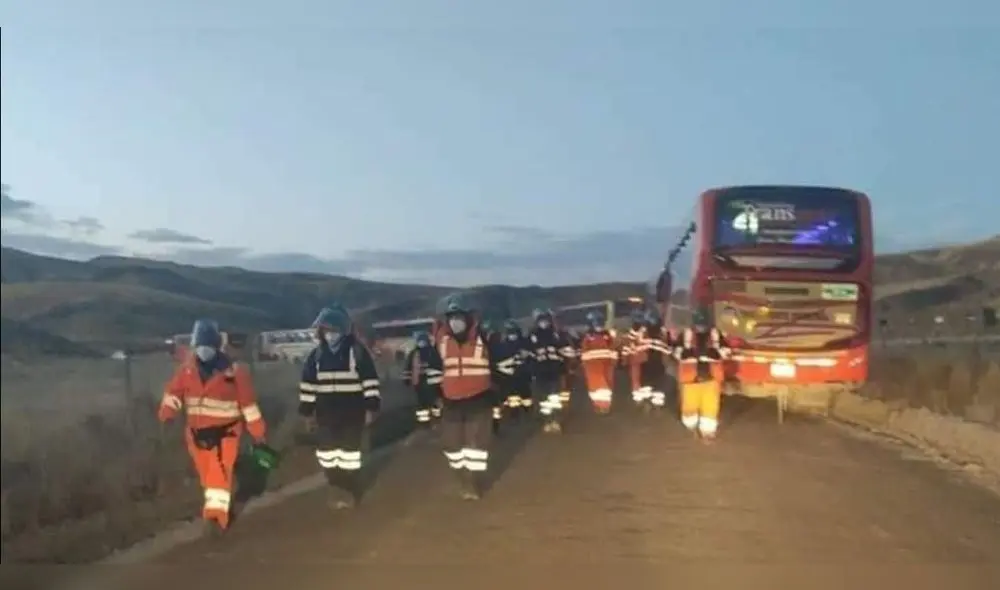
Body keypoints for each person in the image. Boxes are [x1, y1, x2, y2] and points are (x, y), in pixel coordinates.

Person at [158, 319, 267, 534]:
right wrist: (167, 414)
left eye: (207, 345)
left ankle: (217, 518)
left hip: (226, 433)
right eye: (200, 345)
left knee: (219, 474)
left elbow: (248, 406)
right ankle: (216, 510)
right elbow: (174, 394)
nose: (204, 350)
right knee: (208, 475)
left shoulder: (234, 373)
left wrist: (258, 433)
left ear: (217, 346)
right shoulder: (187, 370)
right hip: (197, 435)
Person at [299, 305, 382, 509]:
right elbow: (308, 386)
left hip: (352, 415)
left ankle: (348, 489)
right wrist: (307, 413)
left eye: (333, 330)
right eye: (325, 330)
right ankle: (335, 486)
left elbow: (370, 382)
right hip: (325, 416)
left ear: (343, 331)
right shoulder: (316, 357)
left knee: (349, 455)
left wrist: (371, 408)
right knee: (327, 455)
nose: (329, 334)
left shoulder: (357, 353)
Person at [434, 295, 502, 500]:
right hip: (451, 403)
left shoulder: (485, 340)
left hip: (479, 400)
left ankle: (472, 482)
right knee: (452, 445)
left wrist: (499, 393)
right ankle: (461, 476)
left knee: (477, 445)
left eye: (459, 317)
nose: (455, 322)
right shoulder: (443, 342)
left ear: (469, 318)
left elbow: (497, 367)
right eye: (451, 318)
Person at [673, 307, 731, 442]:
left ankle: (707, 432)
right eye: (699, 324)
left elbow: (726, 351)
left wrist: (708, 356)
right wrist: (694, 356)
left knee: (710, 408)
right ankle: (691, 427)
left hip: (711, 379)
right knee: (689, 409)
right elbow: (676, 353)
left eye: (703, 324)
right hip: (690, 379)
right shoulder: (686, 335)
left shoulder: (716, 335)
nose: (701, 327)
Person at [528, 308, 572, 433]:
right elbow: (530, 355)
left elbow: (565, 350)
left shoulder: (556, 334)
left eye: (546, 321)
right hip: (540, 372)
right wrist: (532, 371)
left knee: (555, 397)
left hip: (555, 371)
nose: (544, 323)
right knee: (543, 399)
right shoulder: (533, 335)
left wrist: (565, 367)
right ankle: (547, 421)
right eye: (541, 321)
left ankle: (555, 420)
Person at [401, 330, 443, 429]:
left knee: (429, 403)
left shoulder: (426, 352)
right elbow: (408, 367)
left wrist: (406, 379)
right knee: (426, 403)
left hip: (428, 383)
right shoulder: (425, 352)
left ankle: (431, 421)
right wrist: (406, 378)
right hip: (424, 383)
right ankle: (429, 421)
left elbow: (438, 366)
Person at [578, 311, 617, 414]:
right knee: (595, 387)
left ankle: (605, 406)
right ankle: (598, 404)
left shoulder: (608, 336)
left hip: (606, 365)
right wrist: (586, 366)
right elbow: (584, 353)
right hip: (593, 368)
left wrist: (613, 363)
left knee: (607, 385)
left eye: (600, 324)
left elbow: (613, 350)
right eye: (596, 324)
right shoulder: (588, 337)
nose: (599, 327)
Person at [639, 309, 672, 411]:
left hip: (655, 361)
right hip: (649, 361)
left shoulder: (661, 331)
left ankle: (651, 403)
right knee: (651, 384)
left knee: (655, 383)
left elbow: (668, 347)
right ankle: (650, 402)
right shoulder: (646, 331)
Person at [623, 310, 649, 407]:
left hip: (636, 360)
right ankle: (639, 395)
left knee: (636, 379)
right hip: (639, 360)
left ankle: (638, 396)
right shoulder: (643, 332)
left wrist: (624, 361)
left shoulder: (631, 334)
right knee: (637, 379)